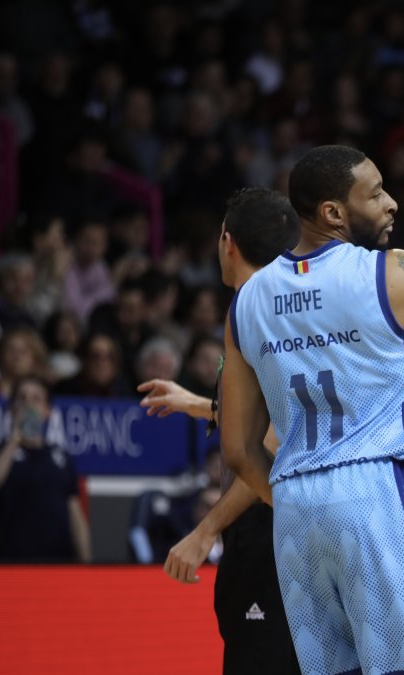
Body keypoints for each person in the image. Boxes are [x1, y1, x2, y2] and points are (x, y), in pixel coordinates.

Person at [220, 147, 404, 675]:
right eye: (376, 192)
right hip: (374, 492)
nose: (391, 205)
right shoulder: (393, 271)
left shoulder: (247, 301)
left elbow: (238, 450)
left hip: (293, 506)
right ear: (333, 213)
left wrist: (297, 499)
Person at [137, 187, 301, 675]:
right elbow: (277, 417)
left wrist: (205, 530)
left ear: (227, 242)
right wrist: (200, 405)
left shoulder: (256, 314)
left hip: (268, 528)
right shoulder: (293, 308)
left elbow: (273, 443)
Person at [0, 375, 90, 562]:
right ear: (11, 408)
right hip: (10, 563)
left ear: (47, 410)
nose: (28, 405)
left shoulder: (61, 457)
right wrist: (15, 440)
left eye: (36, 399)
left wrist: (86, 562)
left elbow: (75, 514)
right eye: (21, 398)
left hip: (59, 563)